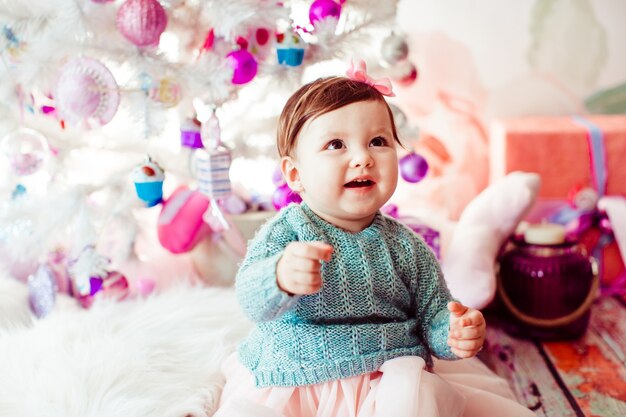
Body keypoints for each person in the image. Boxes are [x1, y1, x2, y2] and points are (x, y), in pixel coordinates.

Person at [213, 61, 535, 417]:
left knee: (414, 398)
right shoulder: (286, 234)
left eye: (378, 141)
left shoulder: (406, 247)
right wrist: (279, 277)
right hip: (296, 379)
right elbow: (250, 297)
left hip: (388, 374)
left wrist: (453, 332)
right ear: (295, 173)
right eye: (336, 144)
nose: (362, 158)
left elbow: (433, 317)